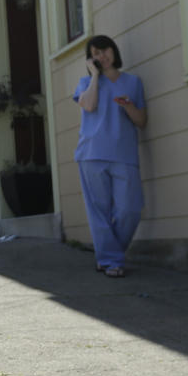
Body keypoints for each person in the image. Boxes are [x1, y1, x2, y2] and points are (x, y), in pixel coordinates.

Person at [73, 35, 147, 278]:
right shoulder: (86, 82)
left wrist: (127, 105)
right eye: (95, 53)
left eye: (104, 50)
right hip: (91, 154)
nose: (101, 56)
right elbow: (89, 105)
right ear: (90, 58)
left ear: (113, 51)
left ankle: (108, 256)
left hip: (124, 154)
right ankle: (111, 260)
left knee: (130, 209)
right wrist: (95, 76)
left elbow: (141, 121)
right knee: (99, 212)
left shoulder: (133, 82)